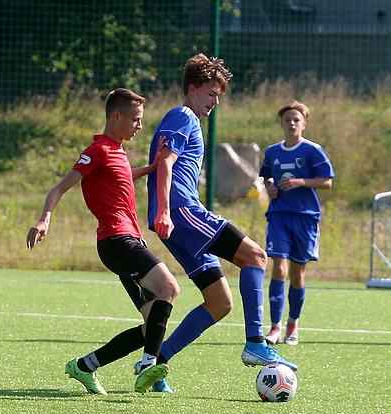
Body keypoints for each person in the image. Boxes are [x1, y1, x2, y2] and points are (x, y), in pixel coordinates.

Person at [143, 54, 298, 393]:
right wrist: (165, 211)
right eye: (211, 93)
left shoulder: (185, 119)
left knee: (219, 302)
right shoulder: (184, 116)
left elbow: (164, 165)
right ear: (192, 88)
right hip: (182, 212)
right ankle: (255, 342)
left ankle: (157, 363)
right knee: (256, 257)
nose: (215, 102)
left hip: (176, 216)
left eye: (219, 95)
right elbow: (165, 163)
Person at [26, 88, 180, 395]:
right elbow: (59, 188)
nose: (140, 126)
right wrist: (44, 218)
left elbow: (120, 176)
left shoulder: (118, 151)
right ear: (117, 116)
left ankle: (85, 366)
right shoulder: (98, 150)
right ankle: (148, 365)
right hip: (118, 240)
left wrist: (151, 168)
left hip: (127, 241)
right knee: (170, 288)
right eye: (135, 120)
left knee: (152, 322)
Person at [259, 100, 335, 346]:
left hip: (305, 216)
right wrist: (270, 187)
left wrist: (300, 182)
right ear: (281, 124)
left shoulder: (312, 150)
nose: (291, 123)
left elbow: (327, 181)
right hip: (279, 215)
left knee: (297, 274)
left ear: (304, 124)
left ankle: (293, 324)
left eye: (296, 120)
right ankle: (274, 328)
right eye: (287, 120)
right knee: (278, 268)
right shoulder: (273, 151)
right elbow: (266, 176)